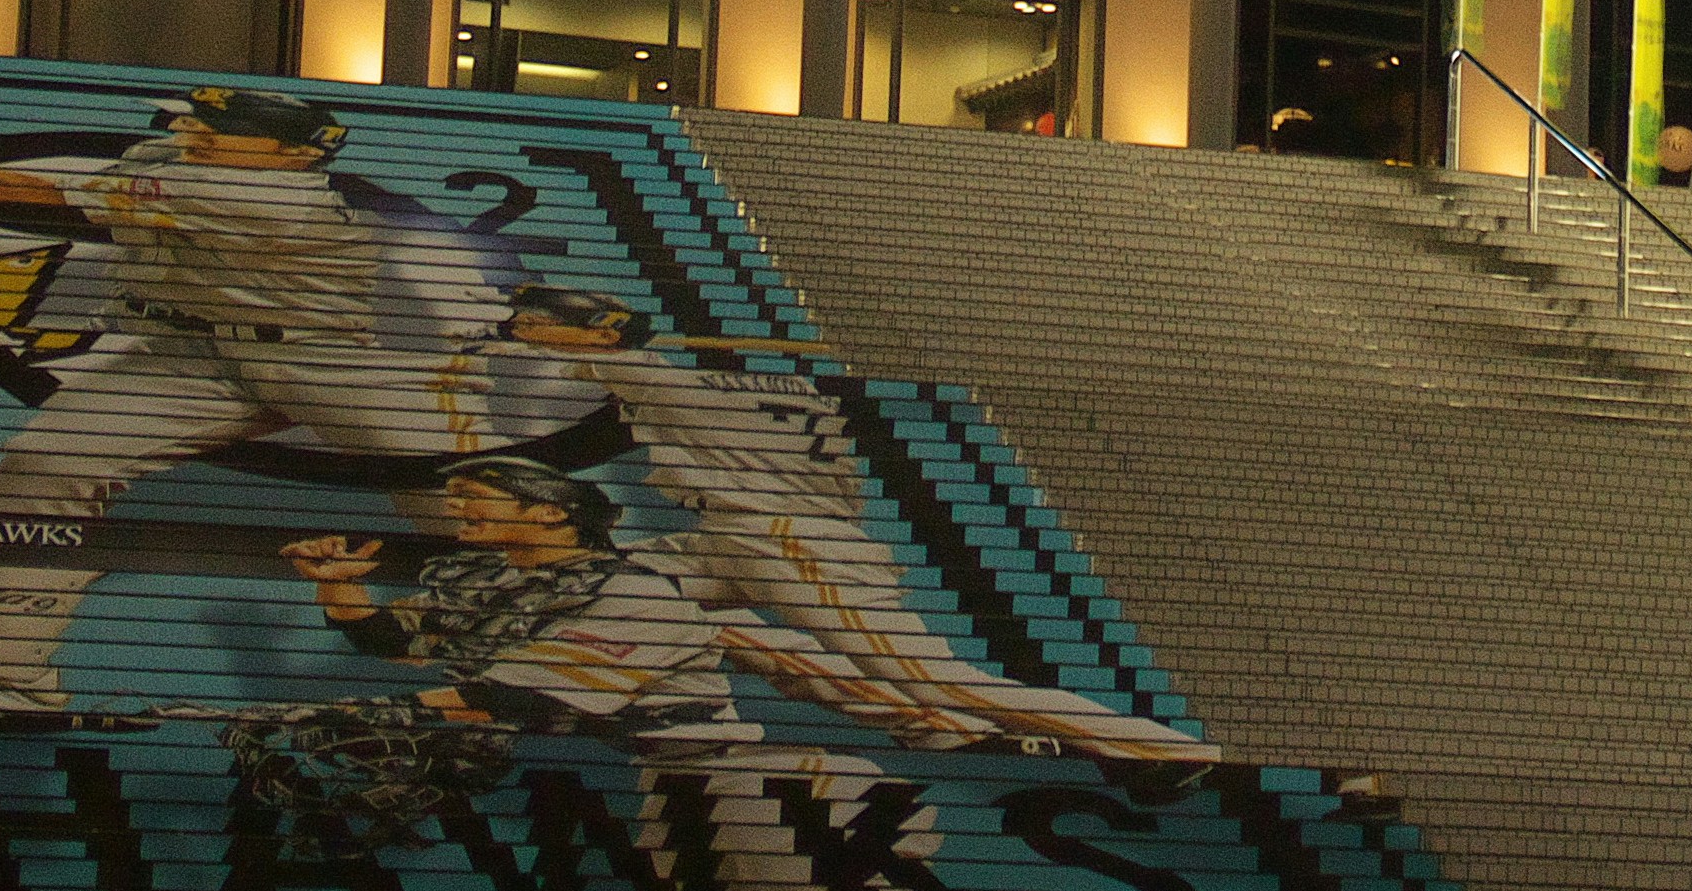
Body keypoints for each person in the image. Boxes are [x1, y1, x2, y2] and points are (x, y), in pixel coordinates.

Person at [0, 85, 522, 723]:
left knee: (464, 485)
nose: (195, 132)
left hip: (321, 356)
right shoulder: (167, 163)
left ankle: (542, 647)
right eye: (196, 121)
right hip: (190, 355)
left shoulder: (262, 190)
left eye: (222, 126)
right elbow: (70, 211)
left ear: (293, 154)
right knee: (47, 463)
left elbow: (41, 194)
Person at [486, 286, 1212, 775]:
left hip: (785, 538)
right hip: (743, 537)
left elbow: (564, 354)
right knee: (614, 584)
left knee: (937, 674)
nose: (523, 322)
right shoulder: (785, 388)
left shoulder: (664, 378)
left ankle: (1162, 750)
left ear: (606, 330)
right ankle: (925, 722)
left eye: (536, 314)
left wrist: (550, 336)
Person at [264, 458, 947, 891]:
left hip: (752, 786)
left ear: (552, 513)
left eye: (477, 495)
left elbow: (520, 698)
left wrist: (383, 714)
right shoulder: (509, 586)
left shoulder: (632, 591)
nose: (458, 507)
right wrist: (337, 583)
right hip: (679, 782)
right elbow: (391, 638)